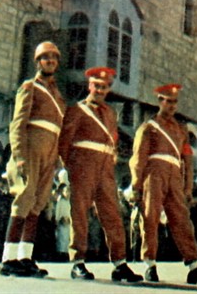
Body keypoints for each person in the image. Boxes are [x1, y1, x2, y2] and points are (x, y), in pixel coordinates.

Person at [58, 67, 142, 283]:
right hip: (83, 168)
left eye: (104, 87)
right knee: (80, 214)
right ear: (90, 86)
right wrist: (69, 168)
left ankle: (119, 263)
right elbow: (64, 142)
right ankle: (77, 262)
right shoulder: (77, 110)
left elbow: (112, 140)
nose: (101, 90)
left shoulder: (110, 113)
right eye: (97, 86)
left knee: (112, 214)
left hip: (105, 170)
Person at [129, 84, 197, 286]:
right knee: (150, 218)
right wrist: (136, 185)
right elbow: (138, 158)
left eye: (174, 102)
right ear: (160, 101)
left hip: (174, 176)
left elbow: (187, 159)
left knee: (182, 220)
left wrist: (188, 187)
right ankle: (149, 264)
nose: (171, 106)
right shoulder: (148, 127)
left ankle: (194, 266)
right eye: (167, 101)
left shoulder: (181, 130)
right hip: (154, 174)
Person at [0, 41, 66, 278]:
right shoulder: (29, 87)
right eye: (45, 57)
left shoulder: (57, 94)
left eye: (53, 58)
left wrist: (57, 155)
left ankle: (25, 257)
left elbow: (59, 127)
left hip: (49, 152)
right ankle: (8, 259)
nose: (50, 61)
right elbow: (18, 122)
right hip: (30, 150)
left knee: (38, 203)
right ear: (37, 62)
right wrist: (18, 156)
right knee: (24, 198)